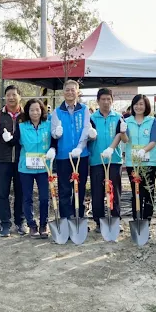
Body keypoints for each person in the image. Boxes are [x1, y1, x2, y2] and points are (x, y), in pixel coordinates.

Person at [6, 99, 56, 238]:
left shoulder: (48, 124)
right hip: (26, 168)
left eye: (38, 109)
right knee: (27, 197)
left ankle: (43, 224)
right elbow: (14, 142)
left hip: (44, 167)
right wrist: (8, 139)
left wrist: (53, 148)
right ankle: (31, 225)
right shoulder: (22, 126)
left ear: (42, 110)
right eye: (32, 110)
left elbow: (54, 140)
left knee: (44, 197)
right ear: (27, 111)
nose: (35, 112)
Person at [51, 80, 96, 221]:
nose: (70, 92)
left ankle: (79, 218)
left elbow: (86, 129)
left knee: (80, 188)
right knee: (64, 189)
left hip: (81, 156)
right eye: (67, 90)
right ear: (63, 92)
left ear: (78, 92)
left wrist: (80, 147)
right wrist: (56, 133)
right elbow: (53, 132)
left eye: (73, 90)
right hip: (63, 156)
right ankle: (66, 219)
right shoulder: (57, 112)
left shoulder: (84, 109)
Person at [0, 85, 25, 237]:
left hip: (21, 160)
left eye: (14, 94)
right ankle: (5, 223)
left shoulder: (25, 114)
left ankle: (20, 222)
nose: (11, 97)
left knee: (21, 192)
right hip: (2, 160)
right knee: (2, 192)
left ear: (19, 97)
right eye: (8, 95)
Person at [88, 88, 127, 233]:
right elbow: (87, 138)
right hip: (97, 160)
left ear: (112, 100)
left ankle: (116, 219)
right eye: (102, 99)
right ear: (98, 101)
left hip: (114, 160)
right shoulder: (91, 118)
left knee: (114, 191)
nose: (105, 102)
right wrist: (90, 135)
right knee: (97, 192)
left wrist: (123, 132)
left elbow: (124, 139)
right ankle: (99, 221)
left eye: (108, 99)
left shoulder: (118, 117)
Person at [125, 94, 156, 222]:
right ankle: (137, 220)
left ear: (146, 106)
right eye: (136, 104)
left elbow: (153, 140)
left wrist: (143, 151)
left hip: (149, 162)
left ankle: (147, 222)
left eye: (141, 104)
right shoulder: (126, 121)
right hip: (132, 163)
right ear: (132, 106)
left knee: (149, 193)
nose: (138, 107)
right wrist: (122, 132)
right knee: (135, 193)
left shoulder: (152, 121)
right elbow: (126, 140)